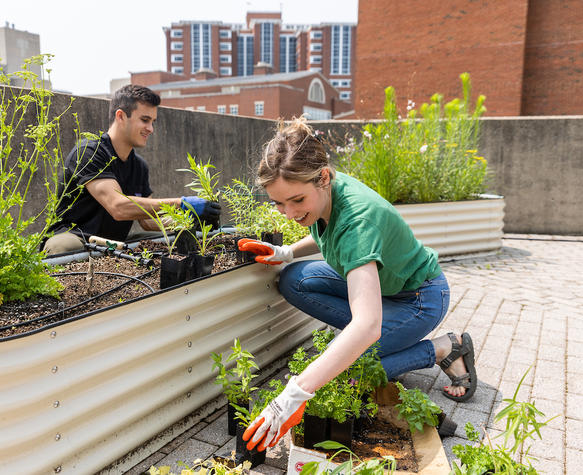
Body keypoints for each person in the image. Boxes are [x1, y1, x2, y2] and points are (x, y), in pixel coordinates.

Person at [239, 118, 477, 452]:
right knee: (295, 279)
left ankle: (444, 348)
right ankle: (375, 340)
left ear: (322, 178)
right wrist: (286, 252)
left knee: (349, 371)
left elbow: (367, 325)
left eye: (296, 200)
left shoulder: (358, 220)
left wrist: (295, 394)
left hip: (419, 298)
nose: (288, 213)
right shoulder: (326, 188)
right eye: (278, 203)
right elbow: (327, 228)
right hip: (381, 288)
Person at [43, 84, 220, 255]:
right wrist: (183, 204)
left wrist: (190, 221)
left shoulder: (139, 166)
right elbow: (118, 206)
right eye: (144, 120)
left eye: (153, 122)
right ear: (120, 116)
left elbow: (148, 221)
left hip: (114, 243)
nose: (150, 129)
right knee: (62, 247)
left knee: (167, 240)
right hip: (78, 238)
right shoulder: (89, 152)